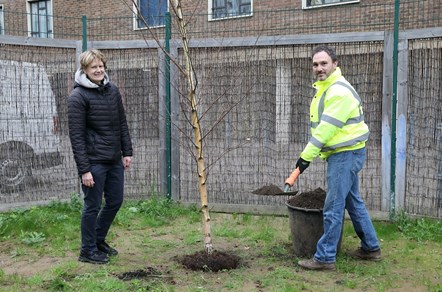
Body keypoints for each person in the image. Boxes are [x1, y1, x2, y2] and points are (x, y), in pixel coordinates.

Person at [295, 45, 381, 271]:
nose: (319, 68)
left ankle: (325, 258)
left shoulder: (338, 91)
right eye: (315, 64)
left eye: (324, 63)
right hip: (345, 152)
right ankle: (371, 247)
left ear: (335, 63)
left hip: (345, 154)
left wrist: (305, 158)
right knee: (353, 201)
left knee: (333, 205)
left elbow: (325, 130)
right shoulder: (326, 87)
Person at [68, 49, 133, 264]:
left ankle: (97, 240)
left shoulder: (112, 90)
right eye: (93, 67)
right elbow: (76, 137)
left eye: (100, 66)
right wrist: (84, 170)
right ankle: (87, 251)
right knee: (92, 206)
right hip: (94, 162)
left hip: (114, 159)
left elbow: (122, 122)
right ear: (85, 70)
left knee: (115, 201)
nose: (98, 70)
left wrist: (127, 152)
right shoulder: (78, 97)